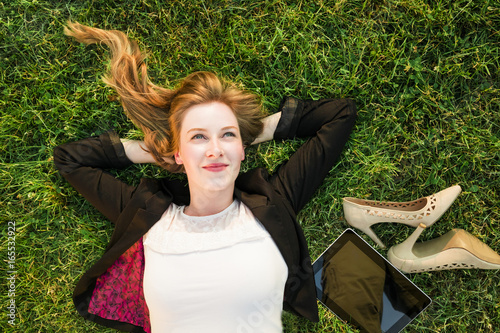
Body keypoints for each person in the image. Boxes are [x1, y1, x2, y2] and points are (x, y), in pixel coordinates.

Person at [54, 21, 357, 333]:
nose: (215, 150)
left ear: (242, 148)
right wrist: (163, 151)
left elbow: (339, 114)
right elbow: (70, 159)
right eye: (198, 137)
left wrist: (245, 135)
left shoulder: (273, 200)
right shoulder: (150, 214)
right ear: (180, 153)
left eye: (226, 135)